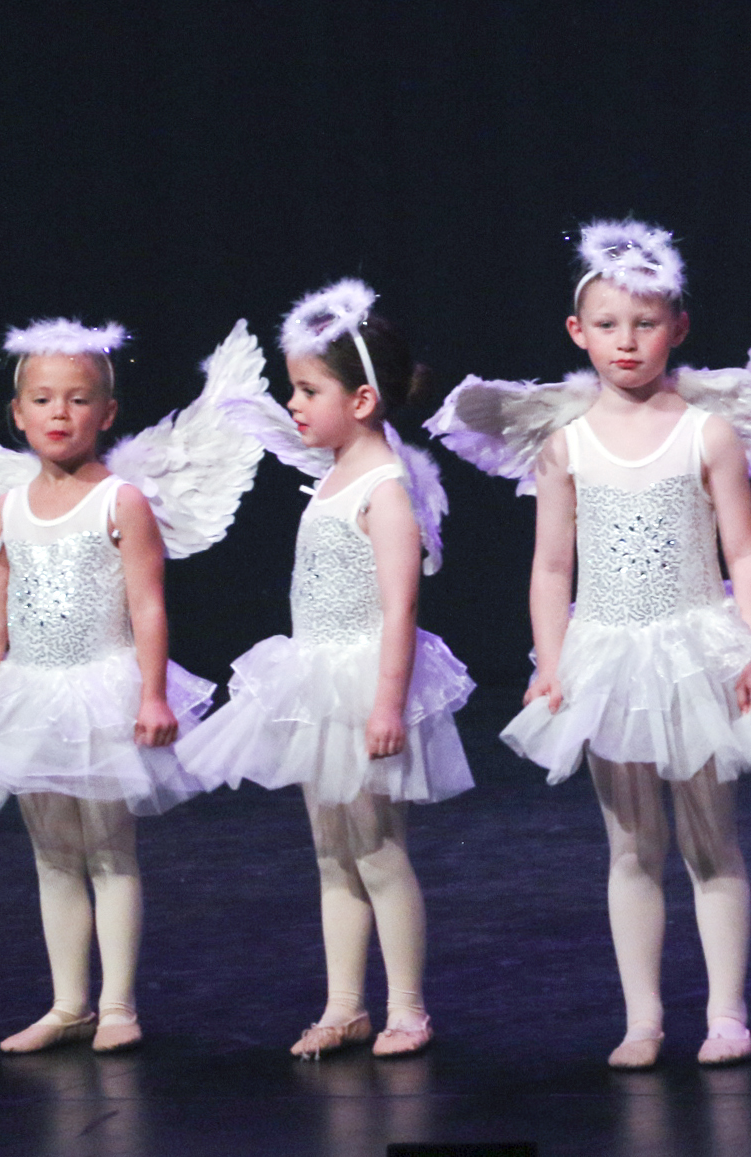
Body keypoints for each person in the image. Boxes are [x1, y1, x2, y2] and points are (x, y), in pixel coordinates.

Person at [429, 221, 751, 1069]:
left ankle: (727, 1015)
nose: (626, 341)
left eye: (645, 323)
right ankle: (642, 1019)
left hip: (696, 649)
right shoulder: (566, 444)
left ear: (678, 327)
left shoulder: (707, 433)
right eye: (607, 324)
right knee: (631, 845)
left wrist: (750, 648)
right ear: (578, 332)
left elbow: (744, 551)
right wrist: (550, 661)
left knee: (711, 839)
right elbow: (552, 565)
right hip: (608, 654)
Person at [0, 318, 268, 1053]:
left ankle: (117, 1005)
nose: (60, 412)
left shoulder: (121, 501)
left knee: (109, 850)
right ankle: (67, 1004)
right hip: (30, 694)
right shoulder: (6, 509)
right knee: (53, 854)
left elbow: (148, 605)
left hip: (102, 691)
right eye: (44, 399)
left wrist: (152, 693)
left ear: (107, 412)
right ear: (18, 413)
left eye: (79, 399)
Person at [177, 282, 473, 1060]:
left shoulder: (386, 488)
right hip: (316, 678)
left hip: (364, 683)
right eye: (293, 388)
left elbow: (399, 608)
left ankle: (407, 1008)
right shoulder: (336, 475)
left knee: (377, 848)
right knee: (332, 851)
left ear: (363, 399)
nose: (293, 403)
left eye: (309, 389)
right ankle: (345, 1006)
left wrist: (386, 705)